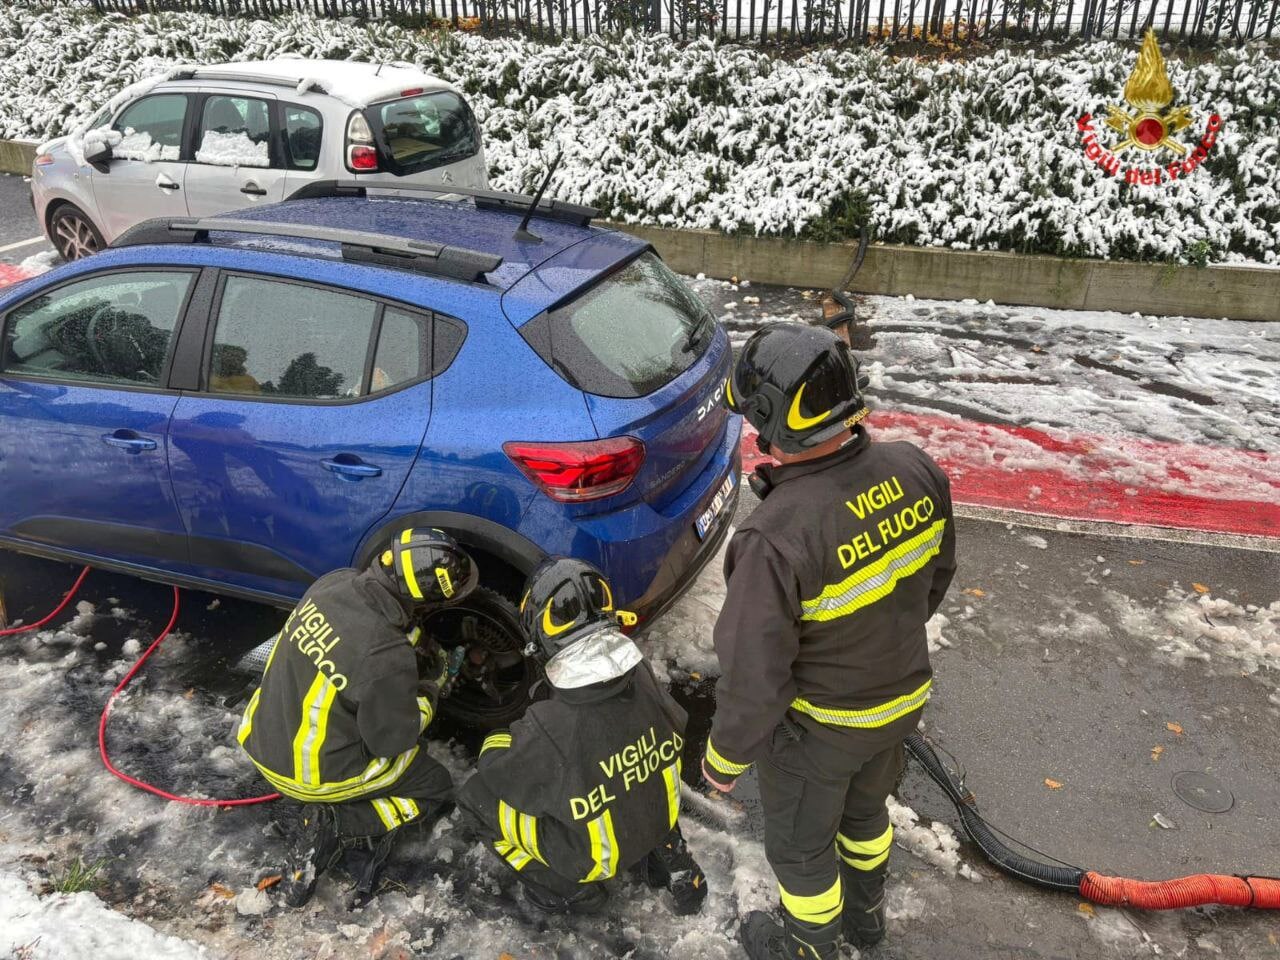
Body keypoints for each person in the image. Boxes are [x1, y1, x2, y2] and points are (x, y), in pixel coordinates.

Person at [701, 323, 957, 959]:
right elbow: (933, 581)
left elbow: (755, 672)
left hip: (821, 731)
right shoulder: (916, 469)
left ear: (772, 422)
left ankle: (810, 948)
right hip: (901, 704)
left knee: (801, 848)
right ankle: (867, 922)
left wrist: (724, 758)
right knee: (867, 816)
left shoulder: (775, 537)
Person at [237, 528, 479, 908]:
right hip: (311, 774)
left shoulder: (333, 583)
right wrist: (432, 688)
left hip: (263, 737)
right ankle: (340, 824)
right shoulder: (385, 658)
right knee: (435, 784)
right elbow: (392, 741)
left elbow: (355, 652)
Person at [459, 557, 707, 917]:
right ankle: (666, 855)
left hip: (597, 857)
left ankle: (570, 892)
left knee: (474, 798)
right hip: (658, 821)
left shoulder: (549, 725)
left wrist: (498, 737)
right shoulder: (640, 673)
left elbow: (498, 773)